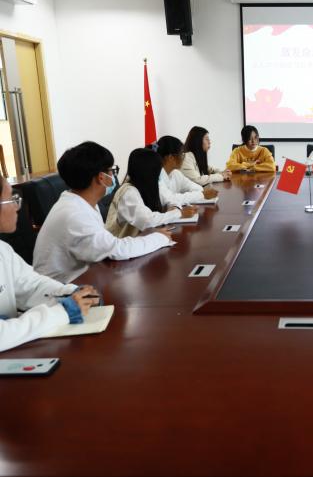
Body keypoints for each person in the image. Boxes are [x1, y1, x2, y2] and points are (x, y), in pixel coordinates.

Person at [32, 142, 173, 283]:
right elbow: (116, 250)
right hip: (62, 291)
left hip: (84, 279)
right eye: (112, 171)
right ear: (101, 177)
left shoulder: (80, 203)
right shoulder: (74, 214)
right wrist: (159, 238)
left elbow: (106, 246)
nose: (113, 176)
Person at [0, 176, 101, 352]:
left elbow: (32, 285)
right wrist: (62, 312)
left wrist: (71, 293)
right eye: (11, 199)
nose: (17, 207)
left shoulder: (3, 250)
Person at [106, 148, 197, 238]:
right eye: (158, 171)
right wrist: (179, 213)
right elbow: (148, 220)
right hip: (124, 243)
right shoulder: (128, 192)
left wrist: (173, 207)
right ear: (148, 171)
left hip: (144, 239)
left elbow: (170, 199)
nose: (159, 175)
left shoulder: (149, 185)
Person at [157, 135, 218, 207]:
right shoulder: (157, 177)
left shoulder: (176, 173)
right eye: (181, 154)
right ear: (171, 158)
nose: (183, 158)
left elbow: (196, 188)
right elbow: (170, 199)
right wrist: (201, 195)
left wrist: (201, 194)